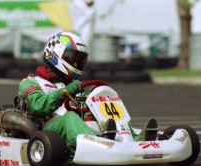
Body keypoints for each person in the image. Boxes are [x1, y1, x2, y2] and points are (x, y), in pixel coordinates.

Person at [19, 31, 157, 151]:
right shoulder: (31, 82)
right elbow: (38, 105)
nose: (75, 64)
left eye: (79, 60)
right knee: (69, 118)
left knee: (100, 106)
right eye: (71, 58)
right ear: (55, 54)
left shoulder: (72, 86)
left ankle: (134, 140)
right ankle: (101, 145)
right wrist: (63, 93)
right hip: (48, 133)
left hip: (77, 131)